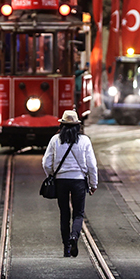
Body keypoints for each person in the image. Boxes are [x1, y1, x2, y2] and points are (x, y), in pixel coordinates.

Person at [42, 110, 98, 258]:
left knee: (64, 214)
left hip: (61, 181)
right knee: (78, 213)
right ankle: (74, 236)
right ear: (77, 126)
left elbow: (46, 163)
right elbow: (92, 165)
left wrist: (51, 175)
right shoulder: (85, 140)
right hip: (79, 180)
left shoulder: (55, 140)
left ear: (62, 125)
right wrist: (93, 184)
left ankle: (66, 248)